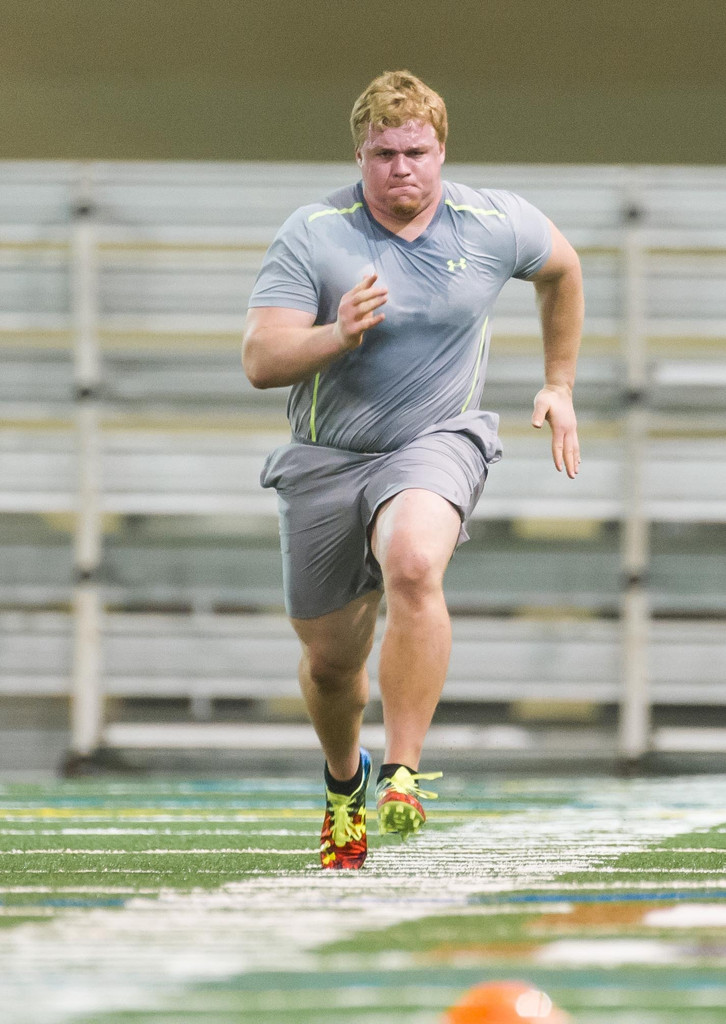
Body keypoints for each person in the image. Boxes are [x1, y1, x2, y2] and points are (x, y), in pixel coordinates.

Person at [242, 70, 583, 870]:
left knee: (415, 562)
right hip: (326, 459)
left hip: (436, 440)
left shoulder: (492, 221)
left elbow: (562, 271)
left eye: (417, 152)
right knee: (332, 665)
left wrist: (558, 384)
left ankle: (401, 773)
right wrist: (336, 336)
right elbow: (260, 360)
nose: (402, 169)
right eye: (384, 153)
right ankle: (343, 782)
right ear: (360, 155)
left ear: (441, 151)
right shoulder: (315, 232)